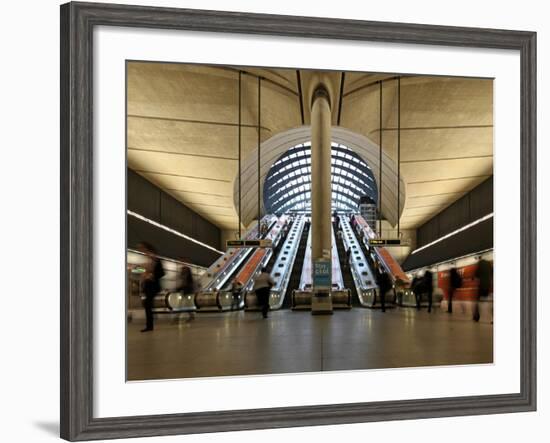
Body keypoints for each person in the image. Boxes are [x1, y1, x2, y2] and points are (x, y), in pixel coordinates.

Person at [138, 242, 164, 332]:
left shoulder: (156, 260)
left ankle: (149, 326)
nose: (141, 251)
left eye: (142, 249)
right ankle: (150, 325)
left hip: (153, 286)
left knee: (147, 304)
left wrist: (151, 275)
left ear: (148, 249)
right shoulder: (148, 261)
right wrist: (137, 269)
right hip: (147, 286)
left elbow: (161, 273)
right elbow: (143, 271)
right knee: (147, 305)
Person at [473, 257, 492, 322]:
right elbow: (492, 273)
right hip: (489, 285)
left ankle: (476, 316)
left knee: (477, 301)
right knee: (490, 301)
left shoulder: (480, 263)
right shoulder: (489, 264)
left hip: (482, 285)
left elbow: (476, 274)